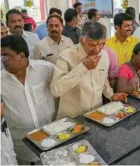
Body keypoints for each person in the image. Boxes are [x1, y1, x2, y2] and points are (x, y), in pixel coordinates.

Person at [50, 22, 128, 119]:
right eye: (92, 45)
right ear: (82, 41)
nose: (97, 49)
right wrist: (82, 67)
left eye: (101, 44)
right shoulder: (66, 57)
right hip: (72, 119)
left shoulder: (104, 55)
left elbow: (102, 80)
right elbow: (55, 90)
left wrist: (111, 95)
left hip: (97, 114)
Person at [1, 35, 55, 164]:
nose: (2, 60)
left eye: (6, 55)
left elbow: (60, 89)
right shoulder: (1, 80)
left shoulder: (46, 68)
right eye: (1, 56)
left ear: (22, 55)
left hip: (51, 138)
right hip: (21, 146)